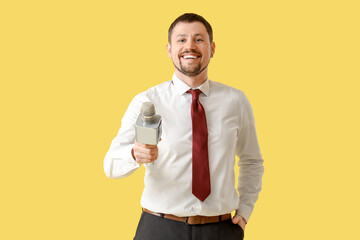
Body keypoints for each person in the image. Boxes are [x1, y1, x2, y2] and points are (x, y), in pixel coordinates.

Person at [104, 13, 264, 240]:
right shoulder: (146, 101)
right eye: (181, 40)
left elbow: (252, 160)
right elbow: (110, 165)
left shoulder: (236, 101)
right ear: (169, 49)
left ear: (212, 48)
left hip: (220, 230)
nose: (190, 46)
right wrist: (133, 153)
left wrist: (245, 209)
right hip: (159, 228)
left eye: (199, 39)